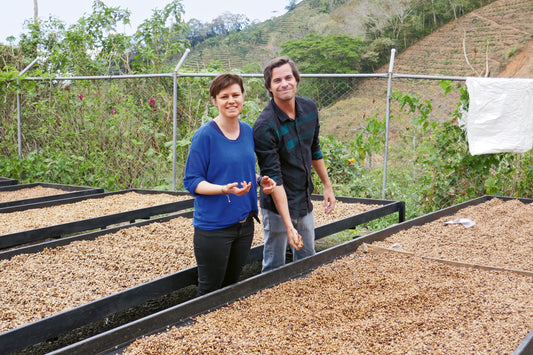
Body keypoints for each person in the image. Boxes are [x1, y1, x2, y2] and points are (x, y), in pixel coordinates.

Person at [183, 73, 275, 296]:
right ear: (215, 101)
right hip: (214, 227)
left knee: (232, 285)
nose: (231, 100)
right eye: (224, 96)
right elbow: (192, 181)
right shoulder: (205, 136)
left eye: (236, 94)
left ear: (243, 97)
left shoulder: (246, 131)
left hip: (244, 224)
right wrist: (223, 189)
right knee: (210, 288)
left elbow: (240, 171)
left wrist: (260, 181)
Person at [253, 56, 336, 273]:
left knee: (308, 261)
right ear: (269, 88)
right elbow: (274, 176)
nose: (284, 84)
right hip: (276, 208)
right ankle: (270, 304)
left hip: (303, 198)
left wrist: (327, 186)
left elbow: (314, 148)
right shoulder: (265, 126)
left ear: (296, 79)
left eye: (288, 77)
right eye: (277, 80)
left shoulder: (309, 108)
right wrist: (289, 226)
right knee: (274, 266)